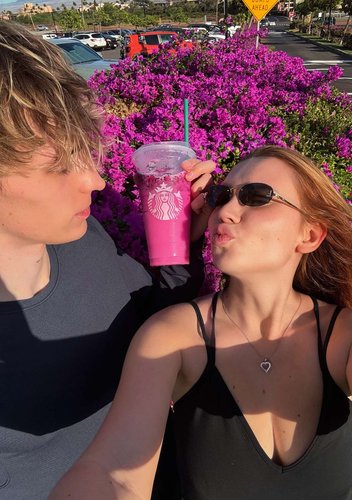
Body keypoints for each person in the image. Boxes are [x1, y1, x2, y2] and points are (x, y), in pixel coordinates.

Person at [50, 145, 352, 499]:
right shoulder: (171, 336)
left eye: (257, 196)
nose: (226, 211)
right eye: (221, 196)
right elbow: (117, 471)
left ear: (309, 235)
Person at [0, 21, 215, 500]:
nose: (95, 181)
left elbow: (150, 323)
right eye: (60, 165)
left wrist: (179, 243)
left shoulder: (82, 238)